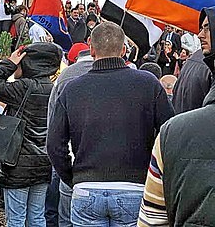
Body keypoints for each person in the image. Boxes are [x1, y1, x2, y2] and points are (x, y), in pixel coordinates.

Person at [47, 22, 174, 227]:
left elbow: (54, 144)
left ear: (91, 48)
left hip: (86, 188)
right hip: (133, 187)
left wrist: (74, 178)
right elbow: (169, 133)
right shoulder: (148, 84)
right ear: (124, 50)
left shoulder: (71, 89)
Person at [138, 7, 215, 225]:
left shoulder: (171, 133)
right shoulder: (171, 133)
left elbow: (151, 222)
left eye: (207, 29)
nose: (200, 35)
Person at [0, 43, 61, 227]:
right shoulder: (54, 89)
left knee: (16, 219)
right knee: (36, 218)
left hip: (17, 165)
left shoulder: (24, 87)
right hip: (43, 163)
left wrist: (8, 63)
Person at [46, 42, 92, 227]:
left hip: (68, 153)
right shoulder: (119, 75)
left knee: (62, 214)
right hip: (103, 164)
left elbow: (52, 120)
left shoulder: (65, 77)